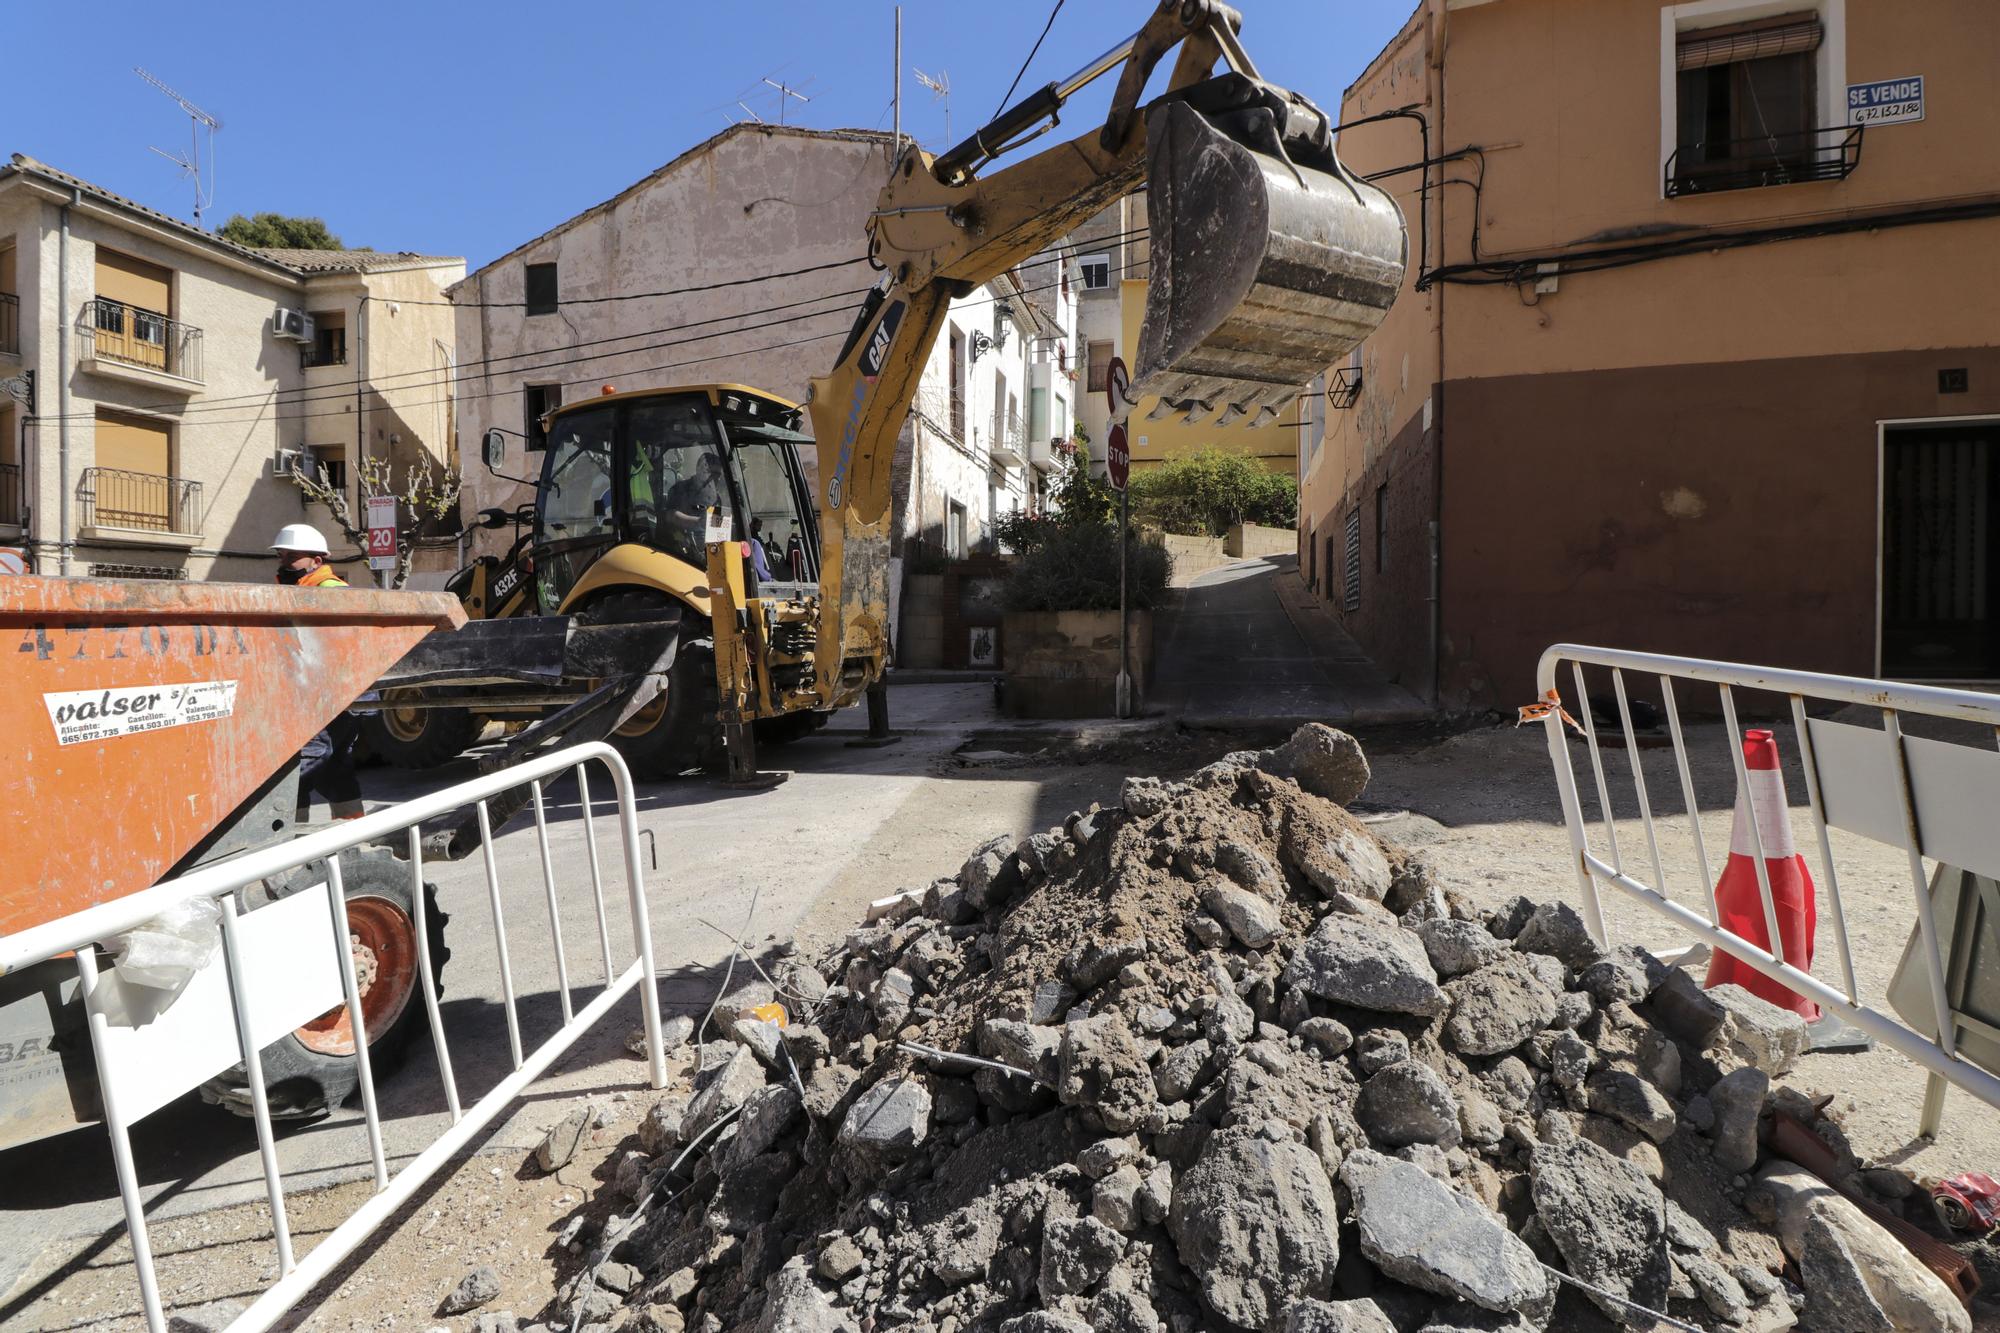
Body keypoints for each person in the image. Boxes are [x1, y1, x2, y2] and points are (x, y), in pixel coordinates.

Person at [272, 524, 365, 820]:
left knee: (304, 763)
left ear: (317, 561)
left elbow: (348, 644)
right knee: (335, 766)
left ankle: (289, 838)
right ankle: (353, 834)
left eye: (292, 557)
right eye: (282, 556)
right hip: (313, 689)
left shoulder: (330, 589)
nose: (285, 563)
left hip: (330, 691)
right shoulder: (292, 591)